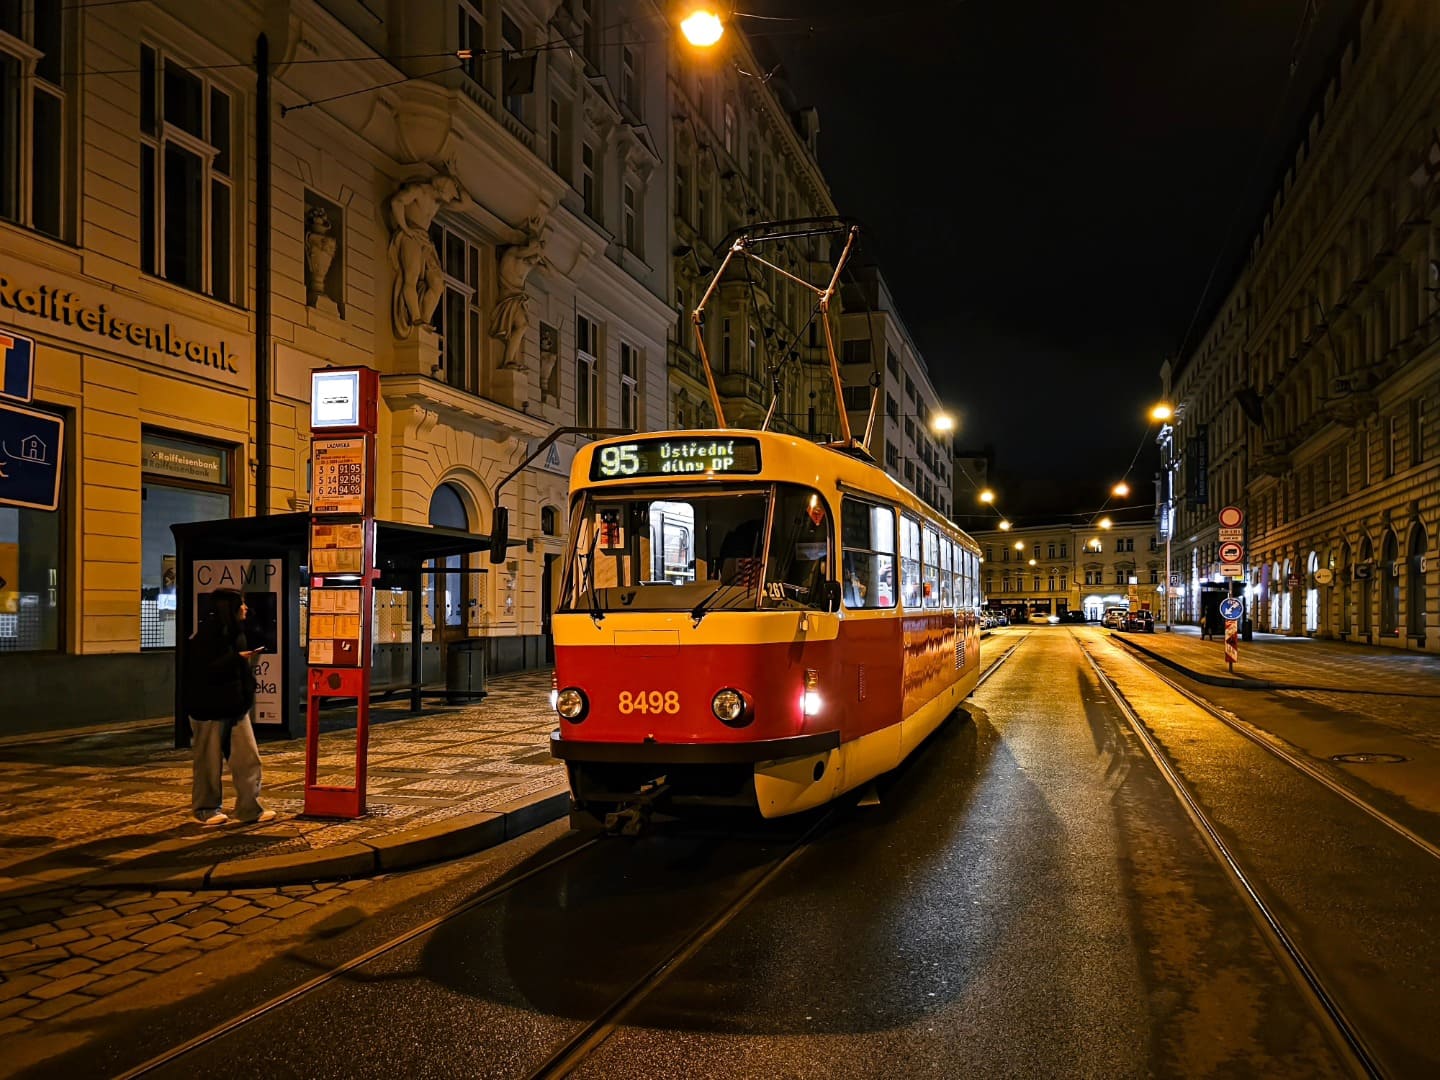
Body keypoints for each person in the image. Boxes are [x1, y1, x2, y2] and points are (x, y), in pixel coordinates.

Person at [184, 588, 275, 826]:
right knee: (208, 763)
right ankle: (205, 809)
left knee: (248, 759)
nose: (246, 608)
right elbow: (202, 672)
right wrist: (237, 658)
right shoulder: (204, 638)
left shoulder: (238, 634)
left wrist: (247, 693)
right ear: (228, 609)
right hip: (209, 709)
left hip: (236, 707)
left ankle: (249, 808)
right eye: (241, 604)